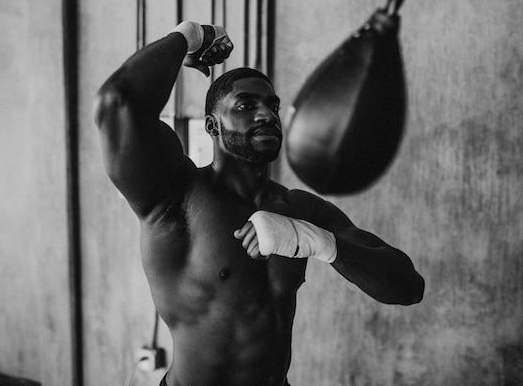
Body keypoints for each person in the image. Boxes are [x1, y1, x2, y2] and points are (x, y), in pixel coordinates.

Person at [94, 21, 424, 386]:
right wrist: (189, 36)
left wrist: (321, 242)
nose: (266, 114)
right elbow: (117, 102)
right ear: (212, 126)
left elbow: (409, 286)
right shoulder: (175, 196)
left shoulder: (299, 211)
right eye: (246, 105)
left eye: (272, 106)